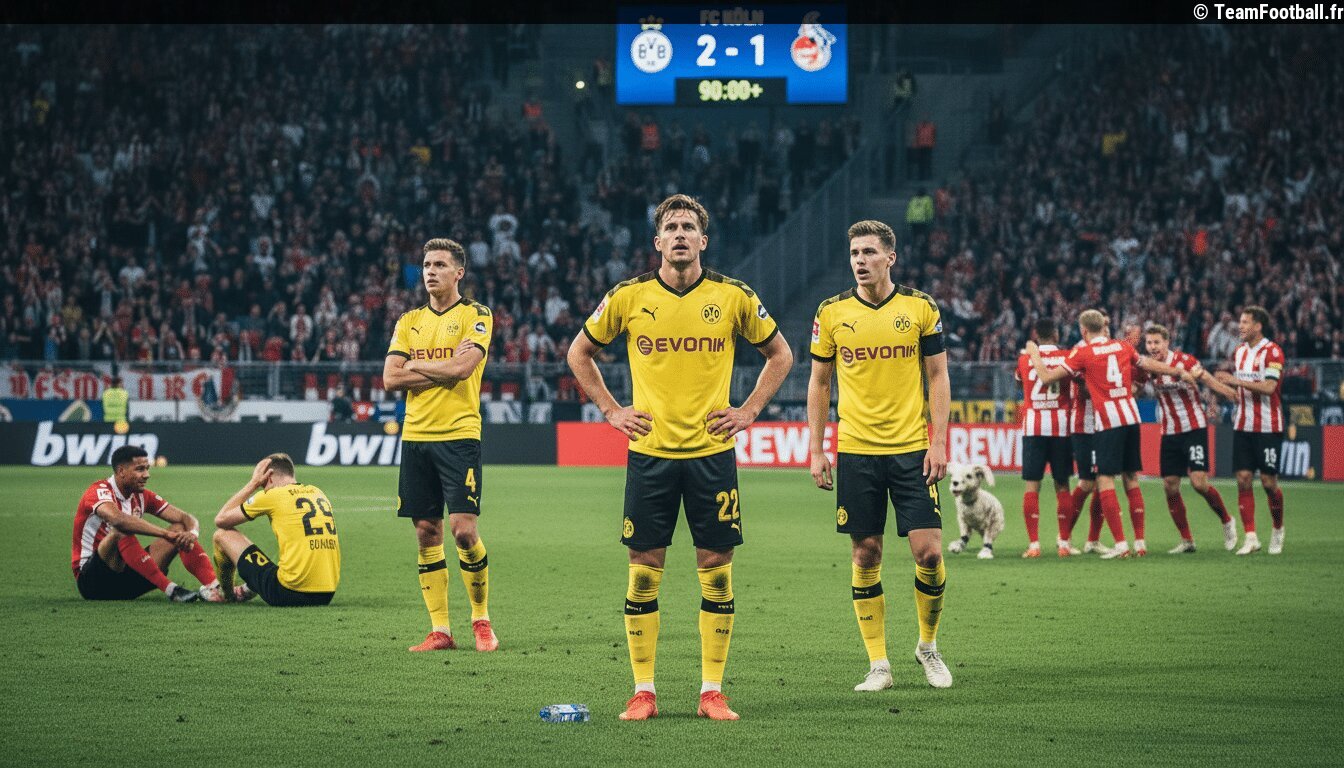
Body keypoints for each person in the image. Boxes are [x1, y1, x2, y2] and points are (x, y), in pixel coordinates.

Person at [567, 194, 793, 721]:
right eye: (671, 227)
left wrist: (749, 410)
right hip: (651, 455)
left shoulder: (733, 296)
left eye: (689, 227)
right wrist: (611, 410)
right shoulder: (628, 296)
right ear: (658, 241)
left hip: (712, 454)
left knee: (716, 569)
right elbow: (579, 351)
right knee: (644, 571)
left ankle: (711, 691)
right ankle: (643, 691)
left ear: (703, 240)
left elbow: (780, 353)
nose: (680, 234)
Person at [807, 219, 952, 693]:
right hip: (856, 451)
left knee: (929, 553)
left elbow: (937, 376)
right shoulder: (831, 312)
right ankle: (879, 664)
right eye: (854, 253)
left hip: (912, 449)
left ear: (891, 257)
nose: (860, 260)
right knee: (866, 553)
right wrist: (816, 448)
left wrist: (938, 441)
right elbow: (819, 383)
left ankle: (927, 646)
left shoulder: (920, 307)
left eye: (869, 252)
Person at [383, 239, 498, 651]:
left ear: (458, 273)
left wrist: (415, 364)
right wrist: (440, 368)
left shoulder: (476, 314)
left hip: (459, 435)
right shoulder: (408, 320)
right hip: (416, 436)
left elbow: (463, 370)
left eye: (440, 265)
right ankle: (441, 630)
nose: (430, 271)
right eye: (427, 265)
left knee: (463, 531)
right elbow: (390, 378)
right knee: (426, 532)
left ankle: (481, 620)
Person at [1028, 309, 1193, 558]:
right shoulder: (1122, 347)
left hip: (1107, 421)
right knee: (1130, 478)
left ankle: (1120, 544)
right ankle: (1139, 543)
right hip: (1131, 417)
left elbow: (1047, 377)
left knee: (1103, 480)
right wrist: (1177, 371)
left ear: (1084, 330)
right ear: (1103, 327)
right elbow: (1146, 363)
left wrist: (1034, 353)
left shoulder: (1082, 353)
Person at [71, 444, 221, 603]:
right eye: (140, 469)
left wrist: (192, 533)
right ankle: (172, 590)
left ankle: (215, 588)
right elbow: (118, 520)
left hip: (127, 582)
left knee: (180, 528)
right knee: (121, 529)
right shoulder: (99, 491)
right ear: (121, 471)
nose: (147, 475)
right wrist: (165, 534)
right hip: (93, 582)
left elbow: (186, 518)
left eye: (147, 469)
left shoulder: (141, 496)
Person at [1195, 305, 1286, 555]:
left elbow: (1269, 387)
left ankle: (1278, 529)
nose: (1240, 326)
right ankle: (1251, 536)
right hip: (1243, 424)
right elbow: (1238, 391)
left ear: (1258, 325)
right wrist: (1219, 393)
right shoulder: (1240, 352)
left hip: (1268, 425)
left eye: (1245, 322)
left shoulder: (1273, 352)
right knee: (1243, 479)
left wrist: (1235, 380)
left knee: (1268, 483)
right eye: (1241, 322)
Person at [1139, 324, 1237, 553]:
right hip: (1169, 432)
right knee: (1170, 486)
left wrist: (1229, 393)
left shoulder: (1184, 361)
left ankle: (1226, 520)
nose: (1153, 347)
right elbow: (1136, 385)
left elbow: (1208, 380)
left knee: (1199, 483)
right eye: (1149, 343)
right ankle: (1187, 540)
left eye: (1157, 342)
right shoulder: (1149, 367)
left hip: (1193, 428)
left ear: (1167, 342)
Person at [212, 454, 340, 606]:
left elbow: (221, 520)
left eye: (262, 484)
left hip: (288, 593)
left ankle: (228, 595)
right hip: (326, 594)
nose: (263, 488)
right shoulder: (317, 492)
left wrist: (253, 484)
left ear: (269, 476)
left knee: (222, 535)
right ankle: (249, 587)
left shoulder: (273, 495)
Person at [1013, 320, 1077, 558]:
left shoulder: (1025, 358)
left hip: (1034, 428)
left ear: (1036, 335)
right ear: (1056, 334)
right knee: (1062, 485)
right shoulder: (1067, 357)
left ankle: (1034, 545)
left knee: (1032, 485)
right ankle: (1064, 544)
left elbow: (1019, 380)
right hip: (1061, 427)